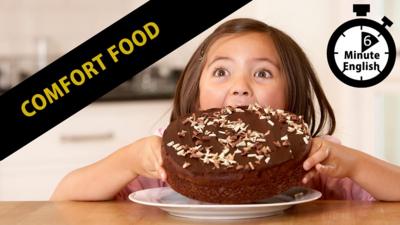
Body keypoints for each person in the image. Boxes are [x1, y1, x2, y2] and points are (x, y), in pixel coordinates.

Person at [51, 18, 400, 202]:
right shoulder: (167, 159)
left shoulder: (315, 158)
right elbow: (64, 197)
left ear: (292, 90)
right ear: (195, 88)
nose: (240, 86)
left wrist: (352, 163)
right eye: (221, 71)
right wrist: (128, 160)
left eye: (262, 73)